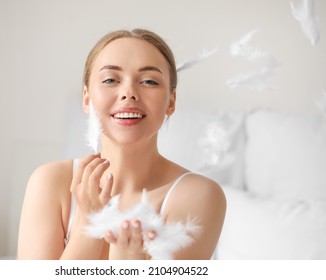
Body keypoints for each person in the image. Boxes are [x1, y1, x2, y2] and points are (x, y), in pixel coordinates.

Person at [17, 28, 226, 260]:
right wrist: (89, 220)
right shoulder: (50, 182)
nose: (129, 93)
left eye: (148, 81)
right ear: (87, 98)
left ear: (171, 101)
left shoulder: (199, 195)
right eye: (110, 80)